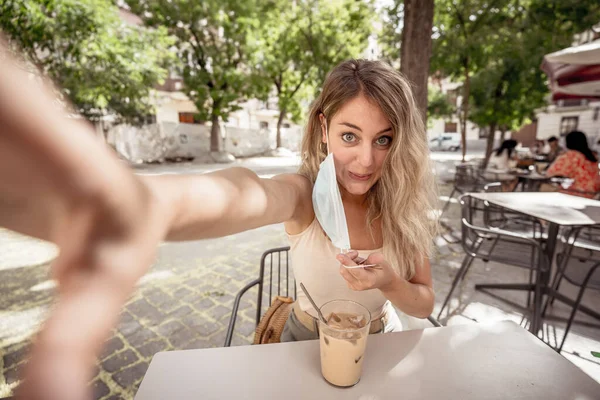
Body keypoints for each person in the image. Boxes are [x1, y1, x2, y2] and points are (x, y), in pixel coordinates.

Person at [1, 39, 436, 400]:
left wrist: (389, 284)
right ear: (323, 128)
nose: (366, 159)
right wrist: (151, 204)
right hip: (302, 346)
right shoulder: (306, 194)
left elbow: (424, 300)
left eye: (384, 139)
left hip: (385, 348)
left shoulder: (404, 205)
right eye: (349, 136)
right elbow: (247, 192)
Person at [545, 130, 600, 198]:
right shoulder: (592, 156)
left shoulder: (571, 155)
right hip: (593, 194)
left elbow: (550, 173)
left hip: (576, 194)